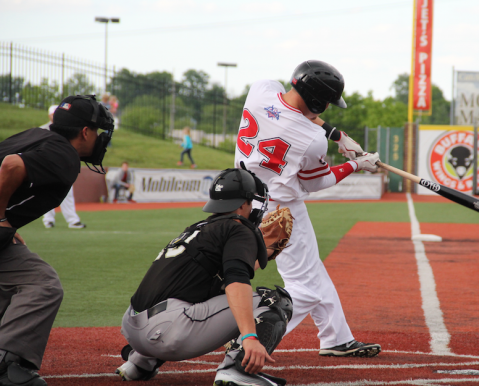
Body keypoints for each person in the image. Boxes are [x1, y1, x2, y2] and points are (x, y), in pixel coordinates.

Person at [235, 60, 381, 358]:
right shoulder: (313, 140)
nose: (326, 107)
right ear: (318, 101)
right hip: (280, 209)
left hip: (239, 199)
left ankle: (336, 338)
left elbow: (293, 110)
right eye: (326, 102)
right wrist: (356, 164)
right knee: (305, 287)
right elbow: (317, 182)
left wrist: (338, 136)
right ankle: (250, 341)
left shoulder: (260, 91)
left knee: (313, 271)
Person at [116, 168, 292, 386]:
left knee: (200, 293)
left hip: (135, 329)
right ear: (242, 204)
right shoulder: (239, 229)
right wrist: (249, 336)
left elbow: (217, 277)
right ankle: (237, 371)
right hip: (167, 331)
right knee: (276, 302)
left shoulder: (200, 228)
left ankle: (140, 363)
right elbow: (236, 282)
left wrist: (267, 251)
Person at [0, 95, 114, 386]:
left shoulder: (34, 135)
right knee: (43, 285)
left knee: (14, 276)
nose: (100, 139)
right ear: (85, 132)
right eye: (98, 132)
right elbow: (10, 166)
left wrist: (8, 227)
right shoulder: (65, 155)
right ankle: (5, 364)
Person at [40, 105, 86, 229]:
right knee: (46, 193)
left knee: (67, 193)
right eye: (53, 114)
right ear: (49, 115)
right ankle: (48, 220)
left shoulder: (67, 130)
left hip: (63, 165)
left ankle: (73, 220)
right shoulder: (43, 130)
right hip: (47, 166)